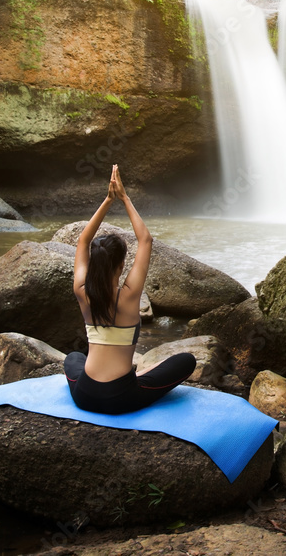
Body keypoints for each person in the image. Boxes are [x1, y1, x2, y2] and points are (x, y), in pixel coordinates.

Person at [63, 165, 195, 414]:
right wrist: (123, 198)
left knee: (73, 359)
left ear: (95, 261)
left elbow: (83, 240)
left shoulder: (82, 290)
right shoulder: (129, 295)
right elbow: (145, 239)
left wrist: (107, 200)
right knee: (186, 361)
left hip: (85, 395)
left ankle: (131, 376)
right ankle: (137, 375)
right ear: (122, 264)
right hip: (120, 398)